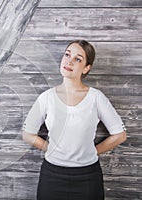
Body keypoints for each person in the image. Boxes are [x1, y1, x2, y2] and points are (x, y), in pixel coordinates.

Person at [22, 40, 127, 200]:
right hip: (52, 176)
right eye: (67, 54)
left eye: (77, 59)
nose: (69, 61)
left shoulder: (96, 98)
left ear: (86, 68)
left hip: (88, 178)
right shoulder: (46, 98)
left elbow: (120, 135)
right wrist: (49, 148)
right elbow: (27, 134)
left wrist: (92, 151)